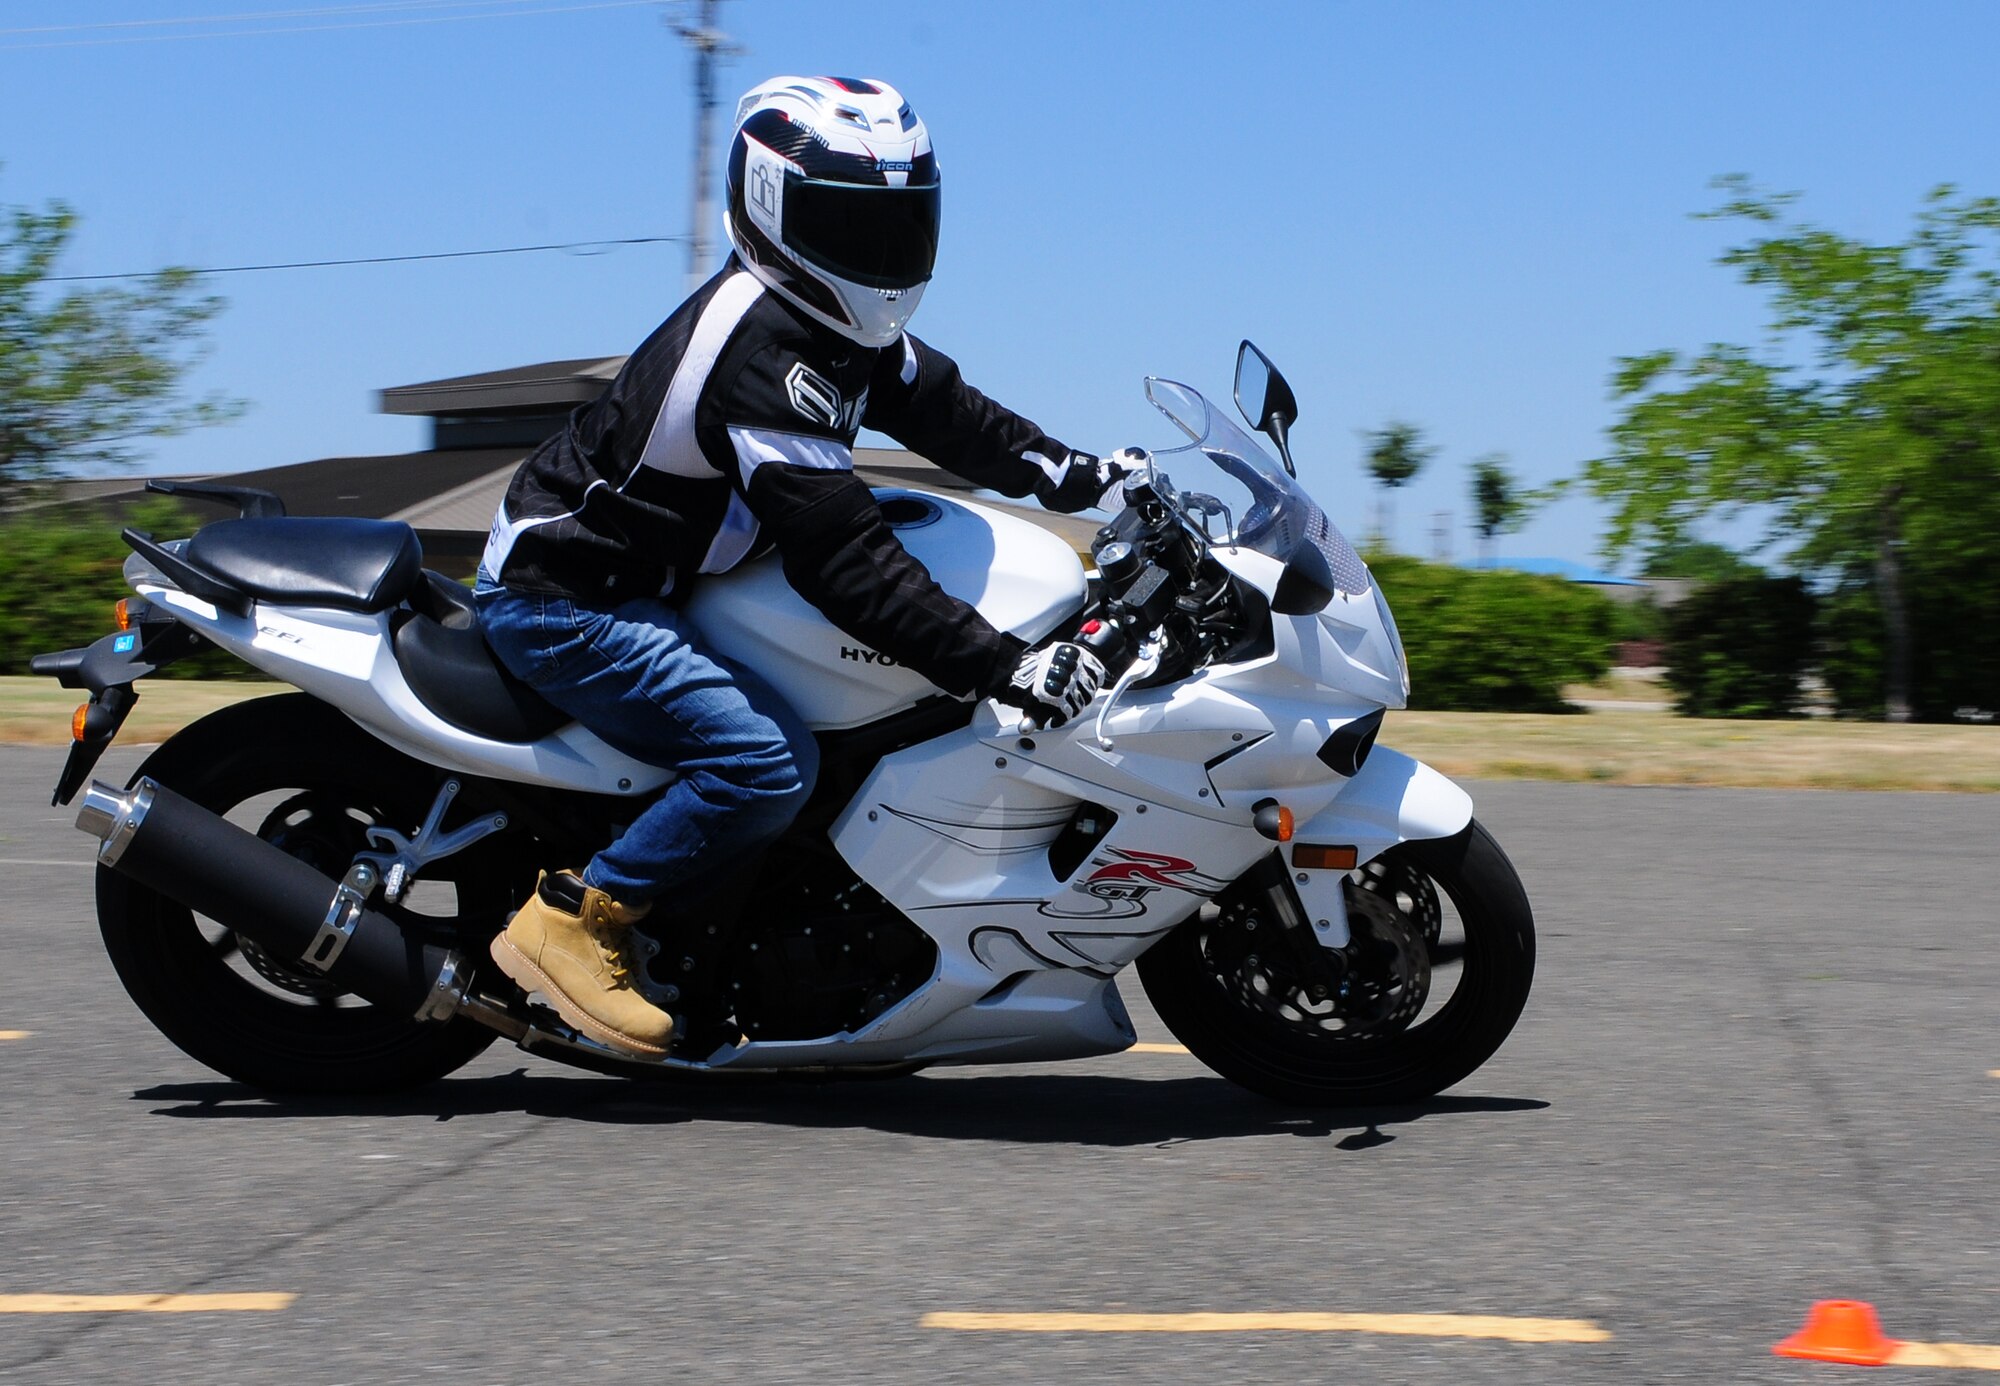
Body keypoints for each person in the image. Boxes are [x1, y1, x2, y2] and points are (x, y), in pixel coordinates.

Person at [474, 76, 1122, 1057]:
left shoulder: (831, 322)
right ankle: (576, 918)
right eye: (853, 225)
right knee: (765, 761)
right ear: (773, 210)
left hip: (650, 579)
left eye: (900, 224)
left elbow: (946, 410)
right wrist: (998, 666)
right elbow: (844, 560)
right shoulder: (769, 352)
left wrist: (1079, 476)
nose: (883, 253)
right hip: (571, 598)